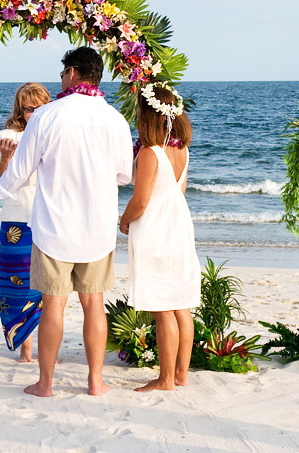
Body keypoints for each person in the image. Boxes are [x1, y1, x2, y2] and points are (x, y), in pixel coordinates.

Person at [0, 47, 133, 396]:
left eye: (62, 73)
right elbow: (124, 175)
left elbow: (18, 172)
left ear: (73, 73)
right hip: (97, 229)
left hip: (54, 228)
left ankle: (45, 383)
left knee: (54, 305)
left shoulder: (46, 116)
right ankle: (95, 382)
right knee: (94, 305)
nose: (60, 79)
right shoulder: (115, 119)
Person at [119, 82, 200, 392]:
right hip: (178, 224)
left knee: (162, 306)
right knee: (181, 304)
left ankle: (165, 379)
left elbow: (141, 200)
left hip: (156, 228)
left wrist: (124, 222)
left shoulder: (151, 153)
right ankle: (180, 374)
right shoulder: (182, 149)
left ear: (148, 115)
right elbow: (178, 191)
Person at [0, 82, 51, 362]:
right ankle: (26, 348)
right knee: (17, 285)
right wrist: (5, 157)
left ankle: (46, 350)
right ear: (20, 109)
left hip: (47, 217)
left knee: (46, 285)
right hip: (15, 220)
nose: (34, 113)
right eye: (29, 109)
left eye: (39, 107)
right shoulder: (8, 136)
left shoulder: (53, 133)